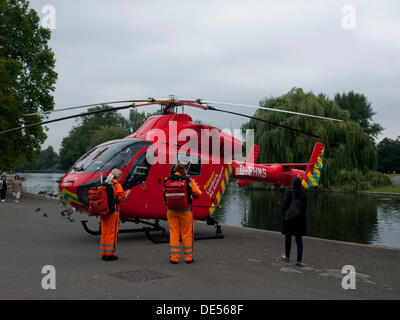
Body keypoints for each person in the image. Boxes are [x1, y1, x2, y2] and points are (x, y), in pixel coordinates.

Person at [165, 162, 202, 264]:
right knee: (186, 234)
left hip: (171, 211)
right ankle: (188, 257)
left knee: (174, 233)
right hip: (185, 211)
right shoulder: (188, 180)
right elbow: (198, 193)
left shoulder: (168, 180)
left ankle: (174, 257)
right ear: (185, 169)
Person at [100, 169, 131, 261]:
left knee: (104, 232)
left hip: (103, 211)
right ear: (118, 176)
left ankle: (104, 253)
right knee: (112, 232)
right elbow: (121, 199)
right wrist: (127, 194)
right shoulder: (117, 185)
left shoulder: (104, 184)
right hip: (113, 211)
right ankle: (110, 254)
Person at [281, 177, 307, 266]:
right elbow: (304, 208)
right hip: (300, 220)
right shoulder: (303, 194)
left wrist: (284, 216)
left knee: (288, 238)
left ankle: (287, 257)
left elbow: (285, 206)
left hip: (290, 219)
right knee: (299, 240)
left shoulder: (290, 193)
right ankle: (299, 260)